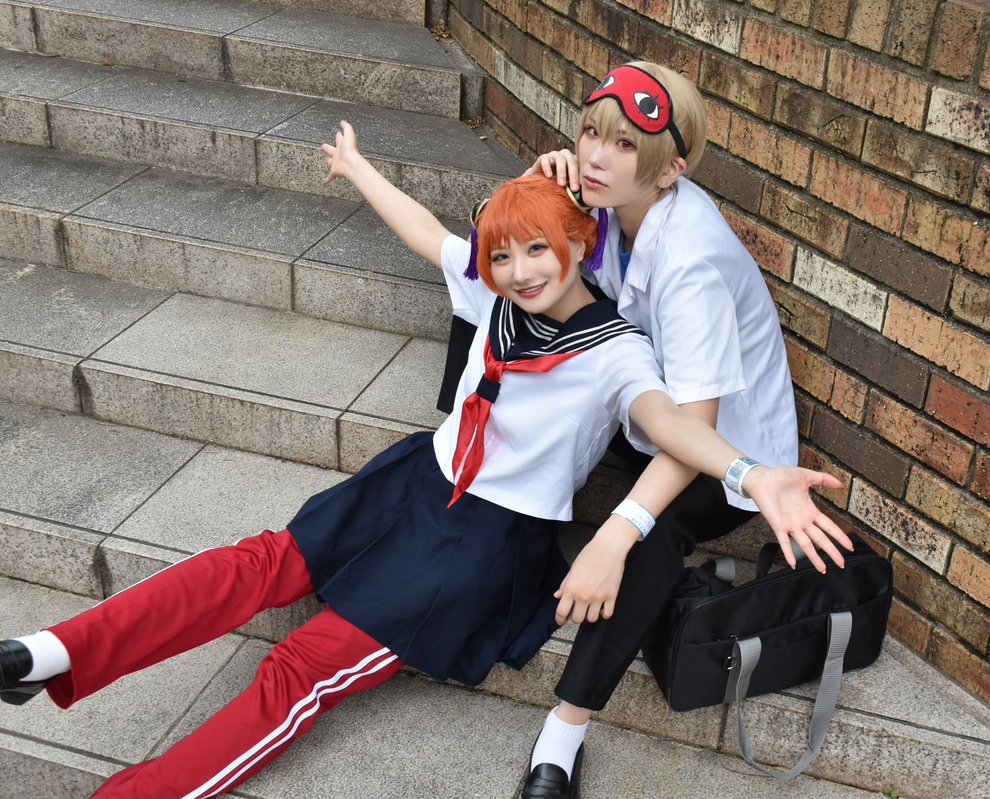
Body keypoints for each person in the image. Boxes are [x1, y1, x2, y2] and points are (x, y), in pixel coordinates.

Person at [0, 130, 844, 799]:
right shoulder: (495, 291)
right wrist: (357, 166)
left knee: (299, 669)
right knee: (254, 565)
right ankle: (50, 651)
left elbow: (670, 424)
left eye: (538, 250)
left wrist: (750, 474)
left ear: (580, 242)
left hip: (480, 542)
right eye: (503, 253)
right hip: (413, 482)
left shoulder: (617, 353)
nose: (518, 271)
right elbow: (427, 235)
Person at [506, 62, 854, 799]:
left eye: (625, 146)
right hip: (650, 403)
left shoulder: (690, 260)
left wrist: (614, 534)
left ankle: (562, 736)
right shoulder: (602, 198)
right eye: (591, 132)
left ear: (671, 170)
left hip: (726, 455)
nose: (597, 156)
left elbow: (694, 435)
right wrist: (539, 183)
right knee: (529, 357)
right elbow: (503, 248)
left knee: (649, 532)